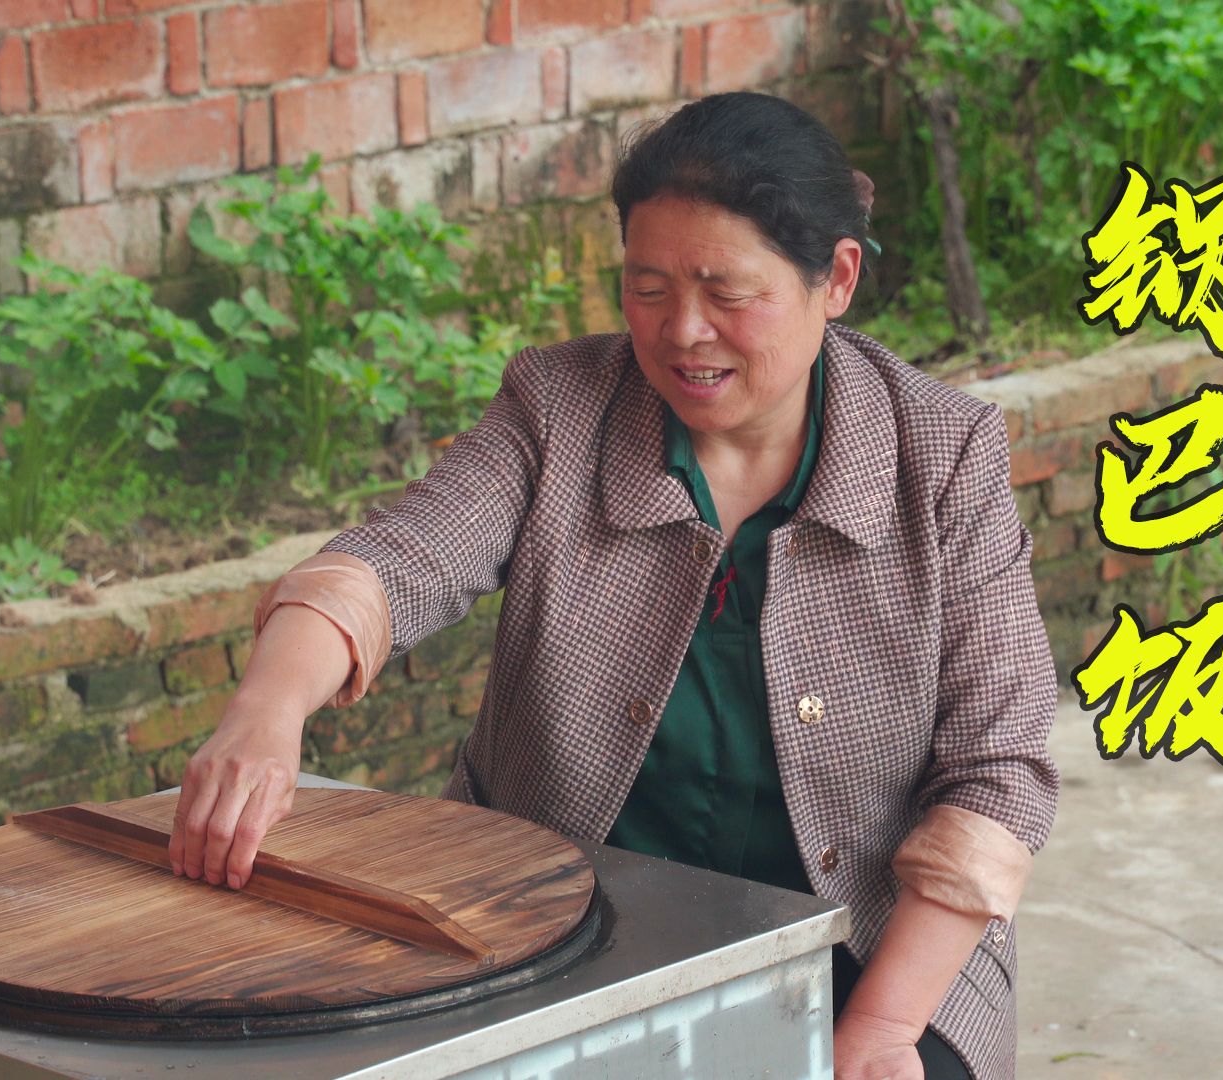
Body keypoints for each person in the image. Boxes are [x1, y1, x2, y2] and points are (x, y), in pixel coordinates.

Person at [166, 91, 1059, 1080]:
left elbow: (999, 771)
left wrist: (883, 1034)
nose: (684, 332)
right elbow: (404, 556)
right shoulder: (560, 409)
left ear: (836, 277)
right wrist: (268, 707)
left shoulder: (939, 454)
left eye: (728, 293)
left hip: (871, 957)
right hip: (557, 937)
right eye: (648, 287)